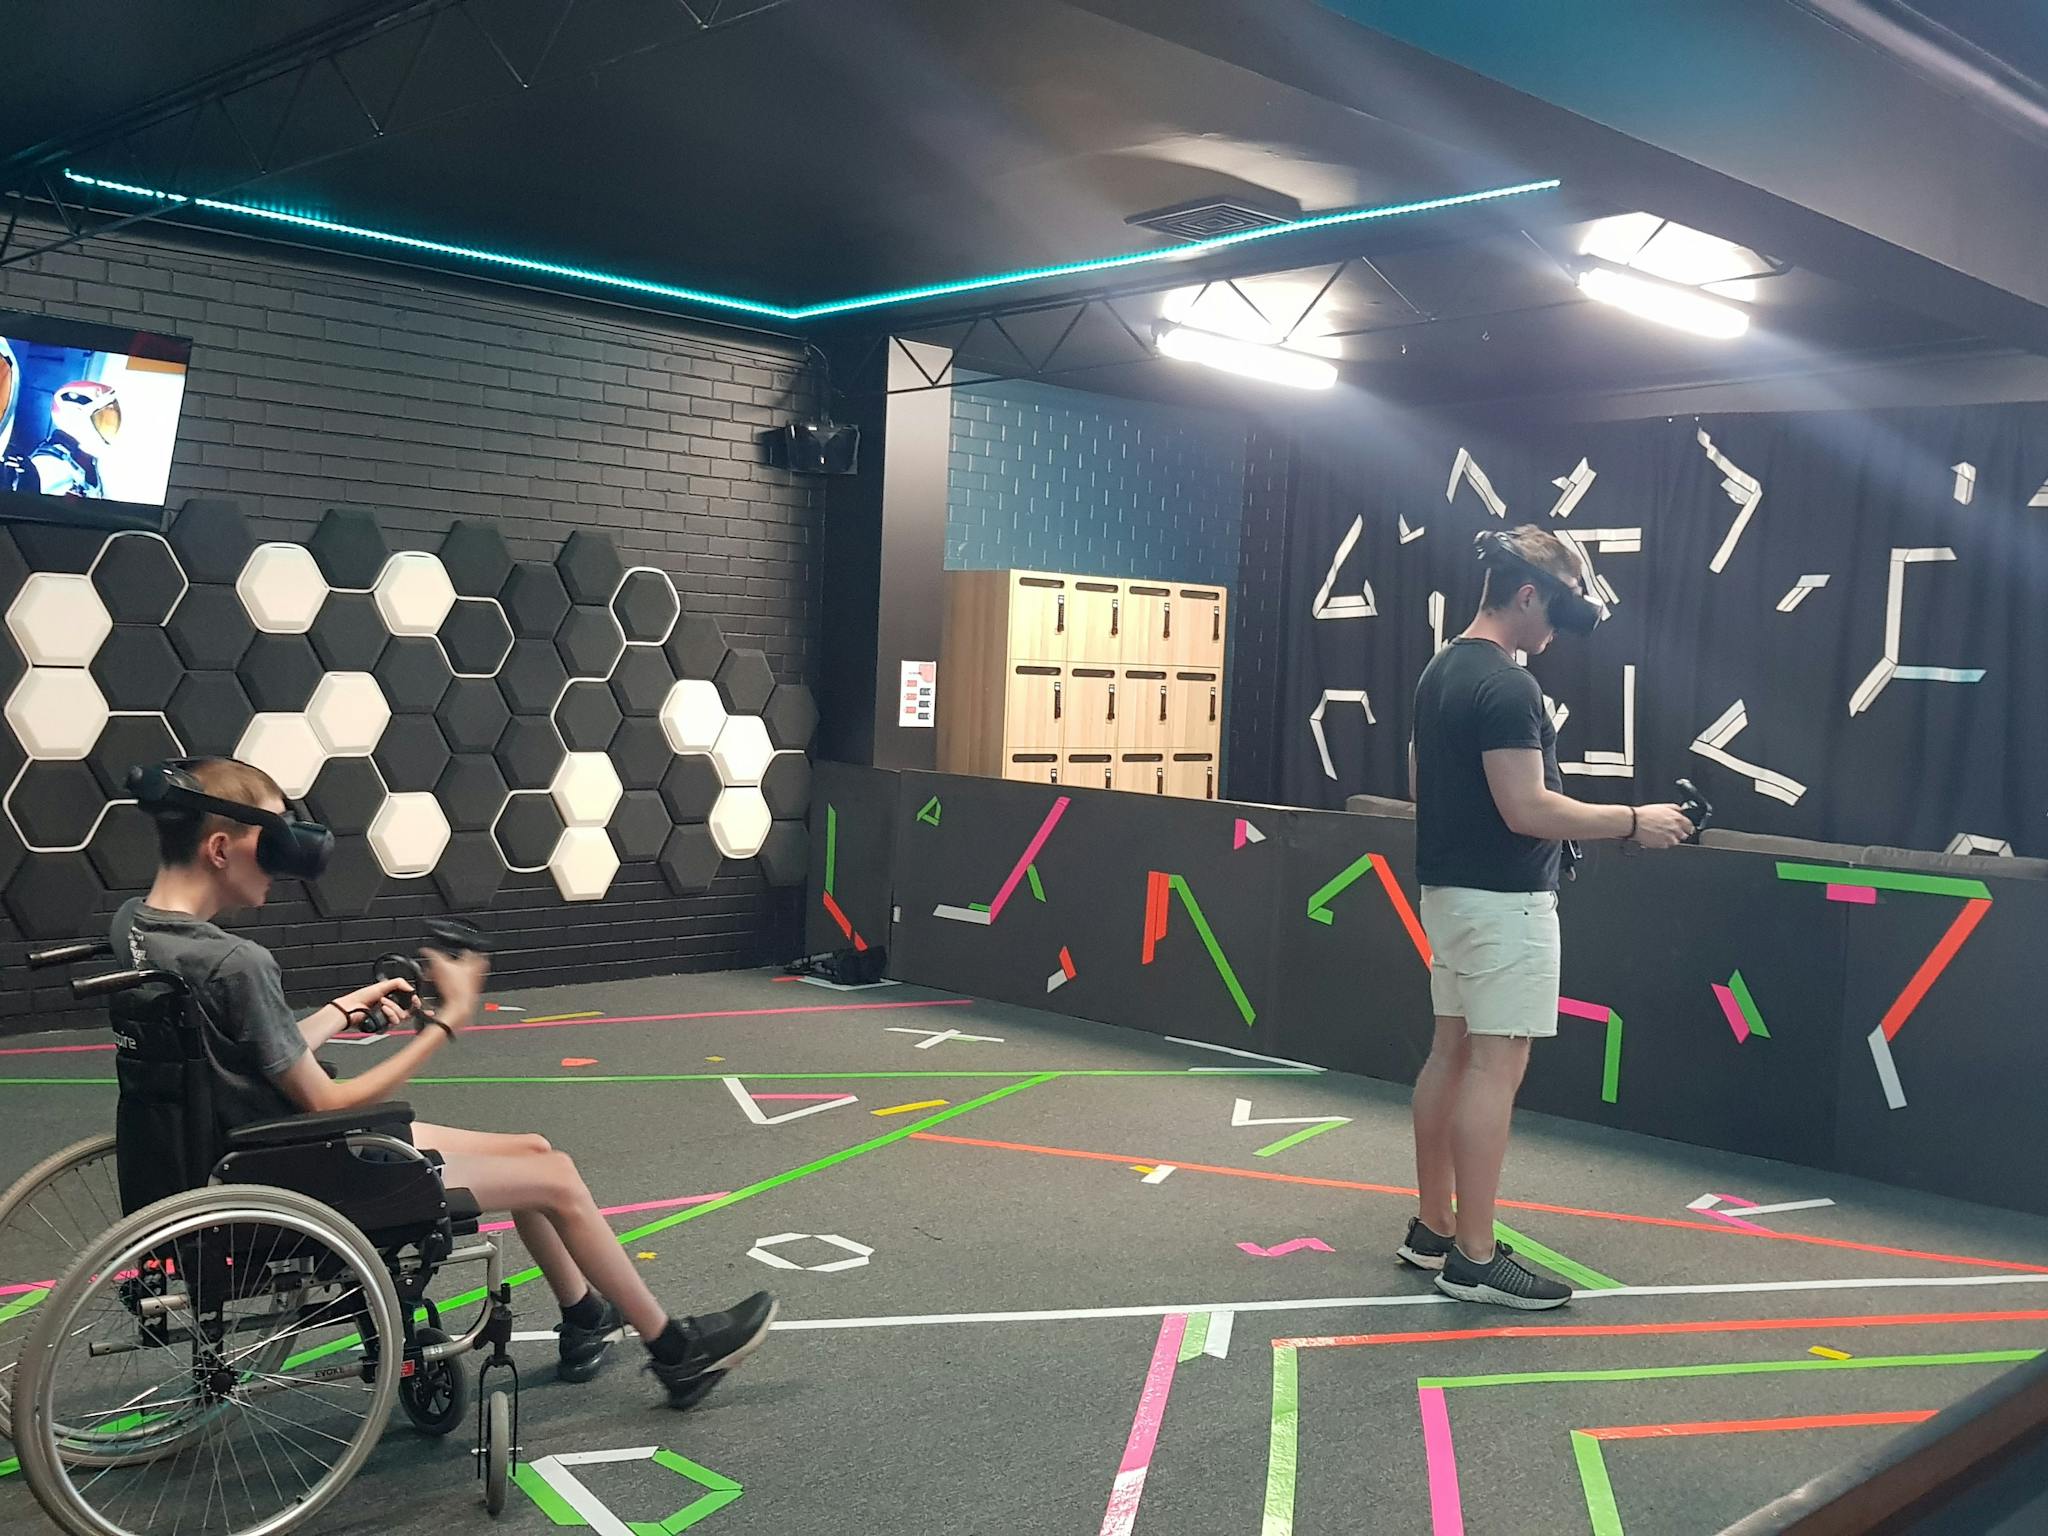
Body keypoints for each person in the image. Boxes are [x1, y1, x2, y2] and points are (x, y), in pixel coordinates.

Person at [113, 755, 775, 1405]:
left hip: (235, 1153)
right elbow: (328, 1099)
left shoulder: (139, 930)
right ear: (221, 848)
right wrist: (445, 1023)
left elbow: (242, 1049)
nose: (284, 865)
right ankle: (676, 1353)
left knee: (536, 1150)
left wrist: (342, 1011)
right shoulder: (238, 961)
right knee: (559, 1177)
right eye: (274, 843)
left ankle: (585, 1318)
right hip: (306, 1167)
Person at [1397, 527, 1691, 1309]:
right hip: (1504, 906)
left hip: (1452, 898)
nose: (1556, 630)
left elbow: (1427, 786)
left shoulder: (1439, 671)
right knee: (1498, 1065)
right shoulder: (1508, 685)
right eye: (1553, 611)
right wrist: (1634, 821)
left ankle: (1434, 1226)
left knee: (1449, 1053)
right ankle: (1476, 1256)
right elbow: (1527, 807)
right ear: (1525, 595)